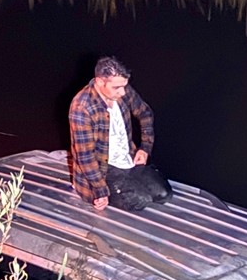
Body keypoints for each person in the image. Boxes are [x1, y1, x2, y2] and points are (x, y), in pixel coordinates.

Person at [69, 56, 173, 212]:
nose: (123, 92)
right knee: (138, 200)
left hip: (127, 159)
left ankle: (131, 182)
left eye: (124, 86)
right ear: (99, 82)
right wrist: (100, 191)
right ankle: (111, 191)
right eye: (117, 88)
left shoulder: (121, 90)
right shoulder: (82, 107)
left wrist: (145, 148)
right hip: (102, 169)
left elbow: (145, 114)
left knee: (164, 194)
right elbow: (86, 157)